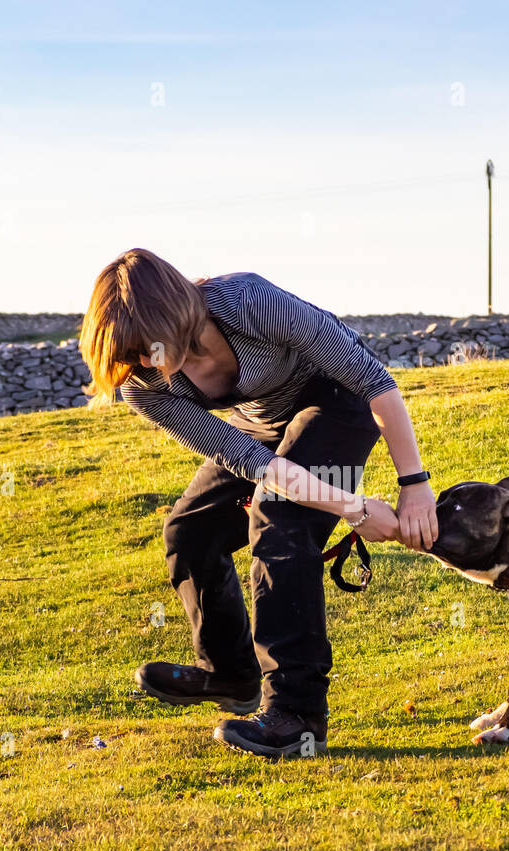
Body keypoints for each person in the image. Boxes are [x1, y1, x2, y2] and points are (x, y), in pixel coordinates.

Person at [80, 248, 438, 758]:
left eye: (147, 345)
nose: (143, 362)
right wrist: (353, 509)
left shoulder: (248, 302)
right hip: (262, 432)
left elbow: (375, 383)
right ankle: (230, 676)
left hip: (334, 402)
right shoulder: (142, 384)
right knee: (189, 531)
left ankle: (296, 717)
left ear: (175, 311)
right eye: (131, 353)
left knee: (279, 519)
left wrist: (414, 484)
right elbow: (252, 460)